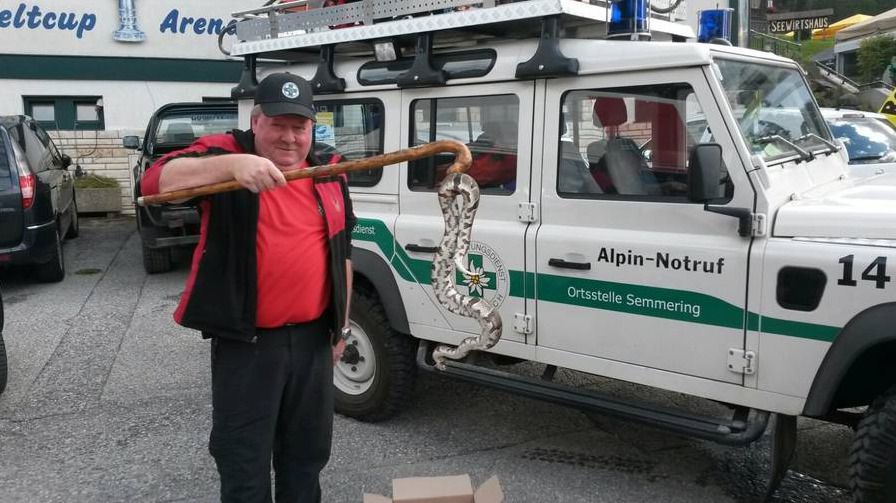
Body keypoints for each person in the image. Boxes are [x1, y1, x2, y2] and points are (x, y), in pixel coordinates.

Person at [140, 72, 355, 503]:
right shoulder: (226, 154)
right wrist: (233, 166)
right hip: (248, 345)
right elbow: (155, 182)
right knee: (243, 461)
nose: (289, 137)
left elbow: (342, 254)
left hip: (314, 340)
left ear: (312, 129)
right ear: (256, 122)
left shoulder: (330, 170)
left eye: (299, 127)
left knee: (307, 456)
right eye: (278, 125)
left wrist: (341, 328)